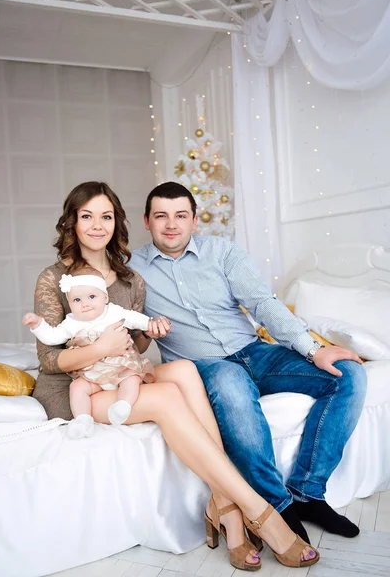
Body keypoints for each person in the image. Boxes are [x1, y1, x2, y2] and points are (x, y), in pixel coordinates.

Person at [31, 180, 319, 571]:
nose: (97, 225)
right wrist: (99, 349)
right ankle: (250, 514)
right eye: (87, 217)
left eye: (106, 216)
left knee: (183, 370)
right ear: (72, 222)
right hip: (75, 384)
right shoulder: (55, 279)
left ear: (117, 223)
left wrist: (148, 333)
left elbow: (136, 348)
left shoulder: (130, 278)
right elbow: (48, 358)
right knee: (166, 398)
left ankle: (221, 505)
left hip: (119, 374)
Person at [130, 181, 367, 543]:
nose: (171, 224)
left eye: (180, 215)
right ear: (147, 221)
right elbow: (128, 329)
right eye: (161, 216)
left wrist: (313, 349)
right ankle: (277, 505)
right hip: (203, 365)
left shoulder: (222, 252)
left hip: (256, 351)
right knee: (231, 385)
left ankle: (308, 492)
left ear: (194, 220)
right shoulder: (132, 271)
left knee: (348, 374)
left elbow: (262, 303)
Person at [23, 268, 170, 436]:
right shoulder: (71, 322)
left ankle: (123, 405)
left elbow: (135, 318)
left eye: (92, 297)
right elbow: (52, 337)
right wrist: (38, 325)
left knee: (133, 378)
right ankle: (83, 419)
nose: (85, 304)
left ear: (105, 298)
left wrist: (151, 323)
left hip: (120, 368)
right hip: (92, 374)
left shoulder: (114, 312)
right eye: (77, 300)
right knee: (77, 387)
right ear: (70, 303)